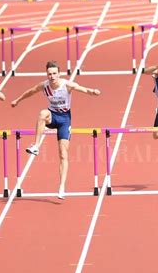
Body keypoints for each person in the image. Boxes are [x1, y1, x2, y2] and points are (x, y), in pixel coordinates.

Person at [11, 60, 100, 199]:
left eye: (54, 74)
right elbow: (31, 91)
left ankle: (61, 187)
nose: (52, 76)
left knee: (63, 154)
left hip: (64, 120)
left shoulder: (67, 85)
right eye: (49, 74)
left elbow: (83, 89)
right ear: (47, 74)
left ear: (59, 74)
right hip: (52, 116)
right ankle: (36, 146)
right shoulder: (44, 86)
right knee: (42, 113)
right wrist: (17, 100)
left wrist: (92, 92)